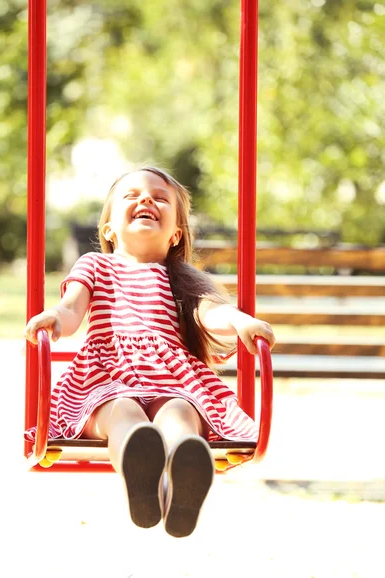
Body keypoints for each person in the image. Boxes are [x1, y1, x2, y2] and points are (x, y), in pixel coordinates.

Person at [24, 166, 276, 538]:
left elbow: (210, 314)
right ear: (109, 229)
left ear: (175, 234)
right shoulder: (96, 265)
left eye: (159, 198)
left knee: (179, 411)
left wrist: (239, 321)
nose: (146, 200)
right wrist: (55, 318)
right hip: (106, 375)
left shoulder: (180, 277)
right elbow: (72, 308)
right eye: (132, 195)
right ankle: (139, 470)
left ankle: (184, 467)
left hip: (171, 377)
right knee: (121, 412)